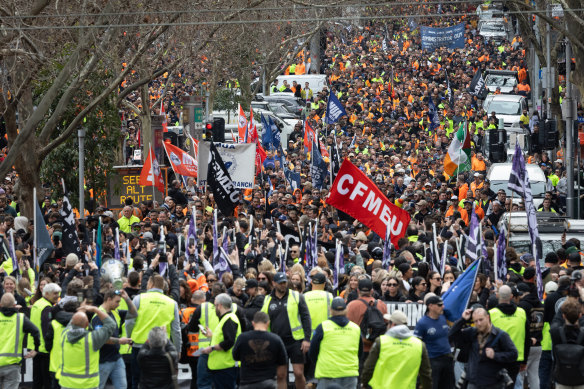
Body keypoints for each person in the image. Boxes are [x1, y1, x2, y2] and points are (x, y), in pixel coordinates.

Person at [126, 273, 182, 389]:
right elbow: (176, 329)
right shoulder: (172, 303)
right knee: (161, 382)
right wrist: (177, 349)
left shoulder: (138, 299)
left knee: (136, 380)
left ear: (150, 284)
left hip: (139, 346)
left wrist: (129, 337)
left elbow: (129, 322)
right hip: (163, 348)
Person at [261, 272, 312, 389]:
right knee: (280, 375)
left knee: (298, 373)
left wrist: (307, 339)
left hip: (295, 341)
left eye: (285, 282)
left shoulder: (296, 296)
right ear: (274, 284)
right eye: (280, 283)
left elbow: (306, 318)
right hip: (277, 342)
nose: (283, 285)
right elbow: (264, 321)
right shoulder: (267, 299)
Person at [449, 308, 518, 389]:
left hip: (493, 383)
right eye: (475, 321)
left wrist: (495, 355)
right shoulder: (472, 332)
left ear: (488, 317)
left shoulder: (501, 335)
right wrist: (463, 320)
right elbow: (451, 335)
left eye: (481, 320)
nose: (478, 323)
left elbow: (514, 354)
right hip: (474, 383)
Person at [362, 310, 432, 389]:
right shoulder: (419, 344)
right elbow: (426, 373)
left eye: (388, 323)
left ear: (392, 325)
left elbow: (369, 367)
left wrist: (364, 383)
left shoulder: (381, 341)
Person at [58, 304, 117, 389]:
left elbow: (72, 323)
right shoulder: (92, 338)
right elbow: (111, 325)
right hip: (87, 385)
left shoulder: (64, 334)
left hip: (66, 384)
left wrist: (81, 310)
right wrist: (96, 309)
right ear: (87, 324)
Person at [309, 297, 363, 389]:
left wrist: (319, 363)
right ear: (346, 310)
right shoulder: (356, 328)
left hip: (327, 373)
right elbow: (360, 352)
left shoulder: (323, 327)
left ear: (331, 310)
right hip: (349, 373)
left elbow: (312, 351)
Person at [92, 289, 136, 389]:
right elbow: (100, 338)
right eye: (117, 301)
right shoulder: (98, 316)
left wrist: (127, 298)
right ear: (108, 299)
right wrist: (119, 341)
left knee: (122, 386)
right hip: (103, 359)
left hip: (116, 358)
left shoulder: (115, 312)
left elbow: (133, 313)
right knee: (98, 386)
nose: (119, 304)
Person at [233, 311, 288, 389]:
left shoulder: (242, 338)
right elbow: (282, 372)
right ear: (268, 323)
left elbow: (235, 356)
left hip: (246, 384)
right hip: (269, 384)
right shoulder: (276, 339)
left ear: (253, 323)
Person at [488, 285, 529, 385]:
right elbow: (527, 338)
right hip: (516, 358)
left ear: (497, 295)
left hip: (496, 358)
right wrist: (524, 360)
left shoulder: (490, 314)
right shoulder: (521, 313)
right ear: (511, 296)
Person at [199, 293, 241, 389]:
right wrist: (211, 336)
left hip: (226, 367)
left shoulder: (229, 319)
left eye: (215, 305)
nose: (215, 308)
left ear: (220, 305)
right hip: (221, 367)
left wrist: (212, 348)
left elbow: (229, 342)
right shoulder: (226, 319)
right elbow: (225, 338)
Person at [0, 293, 40, 389]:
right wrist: (36, 349)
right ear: (14, 305)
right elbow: (36, 331)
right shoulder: (21, 318)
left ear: (0, 305)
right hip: (12, 365)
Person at [414, 295, 455, 389]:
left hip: (447, 359)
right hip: (432, 361)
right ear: (430, 306)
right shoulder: (422, 323)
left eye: (443, 304)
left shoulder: (443, 318)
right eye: (440, 305)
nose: (443, 307)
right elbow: (416, 344)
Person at [31, 282, 61, 389]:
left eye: (58, 293)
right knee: (47, 381)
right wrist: (49, 346)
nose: (57, 296)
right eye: (55, 293)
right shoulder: (47, 307)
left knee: (37, 380)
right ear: (47, 294)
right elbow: (46, 329)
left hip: (36, 347)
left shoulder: (37, 303)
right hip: (44, 349)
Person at [550, 299, 584, 389]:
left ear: (563, 316)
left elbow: (555, 321)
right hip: (581, 378)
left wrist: (564, 306)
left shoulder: (556, 332)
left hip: (562, 378)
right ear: (580, 315)